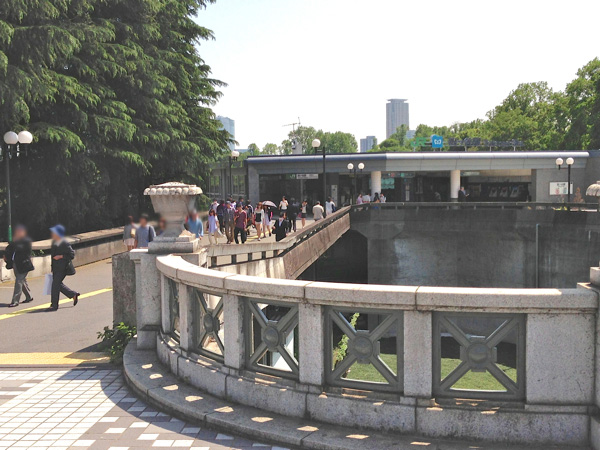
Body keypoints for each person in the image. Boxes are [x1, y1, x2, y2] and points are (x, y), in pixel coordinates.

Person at [48, 224, 79, 312]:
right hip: (56, 268)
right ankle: (73, 294)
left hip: (63, 268)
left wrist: (61, 256)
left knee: (55, 285)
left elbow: (72, 254)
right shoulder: (54, 242)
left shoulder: (64, 243)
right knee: (58, 284)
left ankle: (54, 305)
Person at [5, 225, 34, 307]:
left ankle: (15, 301)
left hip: (24, 264)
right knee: (21, 281)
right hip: (16, 264)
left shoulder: (26, 241)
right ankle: (29, 297)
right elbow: (9, 248)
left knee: (18, 281)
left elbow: (24, 250)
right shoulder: (16, 242)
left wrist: (16, 242)